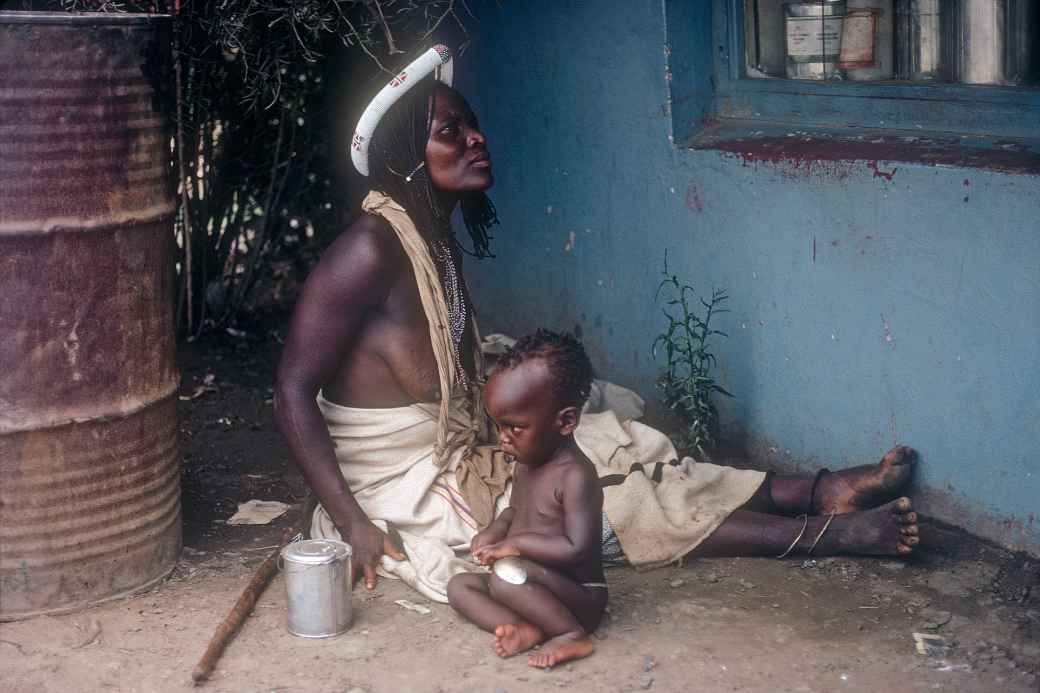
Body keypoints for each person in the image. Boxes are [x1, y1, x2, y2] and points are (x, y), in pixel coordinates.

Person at [274, 46, 920, 604]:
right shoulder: (370, 249)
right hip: (406, 486)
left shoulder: (431, 238)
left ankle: (816, 489)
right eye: (451, 131)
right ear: (406, 161)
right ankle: (826, 534)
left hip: (455, 452)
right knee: (607, 506)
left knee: (617, 440)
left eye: (473, 124)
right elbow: (292, 390)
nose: (476, 138)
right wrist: (352, 521)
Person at [448, 330, 607, 669]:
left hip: (578, 595)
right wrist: (493, 531)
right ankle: (529, 626)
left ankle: (571, 635)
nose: (502, 439)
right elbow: (515, 510)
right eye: (498, 426)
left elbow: (577, 548)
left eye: (514, 428)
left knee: (506, 576)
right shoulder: (527, 463)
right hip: (529, 582)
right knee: (460, 586)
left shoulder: (576, 475)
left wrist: (515, 546)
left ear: (565, 421)